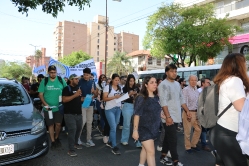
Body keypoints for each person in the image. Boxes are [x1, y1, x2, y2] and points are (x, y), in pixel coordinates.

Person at [210, 53, 248, 166]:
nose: (246, 65)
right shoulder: (234, 80)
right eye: (244, 62)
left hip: (222, 132)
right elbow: (241, 106)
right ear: (238, 65)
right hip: (228, 135)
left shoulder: (227, 80)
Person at [158, 64, 192, 166]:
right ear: (166, 72)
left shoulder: (177, 84)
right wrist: (168, 117)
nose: (174, 73)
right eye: (172, 71)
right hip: (168, 117)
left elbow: (181, 99)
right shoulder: (163, 85)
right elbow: (163, 102)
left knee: (168, 139)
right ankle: (175, 161)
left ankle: (163, 157)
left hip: (176, 116)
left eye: (175, 71)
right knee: (173, 139)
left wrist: (187, 111)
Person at [132, 76, 161, 166]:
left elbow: (155, 111)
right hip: (143, 128)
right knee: (151, 152)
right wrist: (135, 130)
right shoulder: (141, 98)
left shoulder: (156, 97)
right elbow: (137, 115)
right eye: (152, 82)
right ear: (146, 84)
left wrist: (162, 115)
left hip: (153, 128)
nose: (155, 84)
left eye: (155, 82)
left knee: (145, 149)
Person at [38, 65, 67, 149]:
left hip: (59, 107)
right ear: (48, 73)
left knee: (58, 124)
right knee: (50, 125)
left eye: (54, 72)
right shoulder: (45, 81)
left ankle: (57, 137)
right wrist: (46, 104)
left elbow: (66, 91)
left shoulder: (61, 80)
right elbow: (40, 94)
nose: (53, 74)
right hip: (48, 108)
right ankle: (53, 141)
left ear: (56, 72)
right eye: (51, 72)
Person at [62, 74, 83, 157]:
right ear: (71, 80)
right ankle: (71, 149)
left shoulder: (78, 88)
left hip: (78, 113)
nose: (78, 80)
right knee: (72, 130)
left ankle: (75, 143)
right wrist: (75, 95)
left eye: (78, 79)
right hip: (69, 114)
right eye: (76, 79)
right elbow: (64, 100)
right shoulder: (66, 88)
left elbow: (78, 98)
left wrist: (87, 98)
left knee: (78, 129)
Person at [102, 73, 122, 155]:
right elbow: (104, 98)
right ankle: (114, 146)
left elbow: (119, 97)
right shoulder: (107, 87)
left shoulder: (119, 87)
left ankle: (110, 141)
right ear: (112, 79)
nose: (117, 81)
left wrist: (122, 96)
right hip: (109, 109)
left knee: (114, 126)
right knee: (113, 127)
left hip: (118, 109)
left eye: (118, 80)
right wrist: (114, 97)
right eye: (115, 80)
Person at [78, 67, 97, 147]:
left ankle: (88, 139)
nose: (86, 76)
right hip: (82, 104)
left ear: (90, 75)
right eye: (84, 75)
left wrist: (94, 92)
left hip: (90, 104)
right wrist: (81, 98)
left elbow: (96, 95)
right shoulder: (79, 81)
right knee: (83, 121)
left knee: (89, 122)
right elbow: (77, 93)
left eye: (87, 75)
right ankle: (77, 138)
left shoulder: (92, 82)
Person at [182, 75, 202, 154]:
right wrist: (187, 112)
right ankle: (188, 147)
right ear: (189, 81)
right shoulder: (185, 90)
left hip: (196, 113)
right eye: (192, 80)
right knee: (188, 131)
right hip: (188, 112)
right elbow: (183, 102)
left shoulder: (196, 90)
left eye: (195, 80)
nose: (193, 82)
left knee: (198, 129)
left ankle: (193, 144)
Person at [121, 74, 141, 147]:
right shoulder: (124, 88)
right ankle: (124, 139)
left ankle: (138, 141)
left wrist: (136, 95)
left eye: (133, 81)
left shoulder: (136, 88)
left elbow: (139, 97)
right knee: (127, 124)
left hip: (135, 106)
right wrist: (130, 94)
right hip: (127, 106)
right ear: (128, 81)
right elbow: (122, 98)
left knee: (136, 125)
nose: (132, 82)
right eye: (130, 81)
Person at [197, 77, 211, 151]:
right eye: (208, 82)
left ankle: (200, 138)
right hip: (201, 113)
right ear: (203, 83)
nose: (209, 84)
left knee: (207, 128)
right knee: (204, 129)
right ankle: (204, 144)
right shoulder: (199, 91)